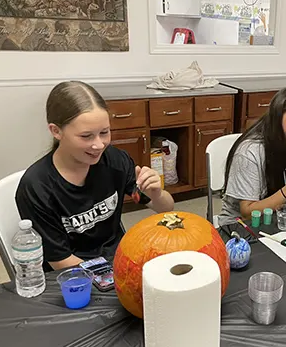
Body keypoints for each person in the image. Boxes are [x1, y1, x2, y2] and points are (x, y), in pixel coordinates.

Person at [16, 81, 175, 270]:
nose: (99, 145)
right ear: (56, 131)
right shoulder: (36, 187)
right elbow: (60, 261)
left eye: (104, 132)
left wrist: (156, 194)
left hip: (117, 259)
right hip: (74, 275)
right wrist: (112, 275)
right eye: (86, 136)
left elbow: (166, 209)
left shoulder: (116, 161)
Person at [219, 86, 286, 226]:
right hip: (241, 225)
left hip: (278, 218)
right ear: (277, 118)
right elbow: (247, 213)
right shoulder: (249, 152)